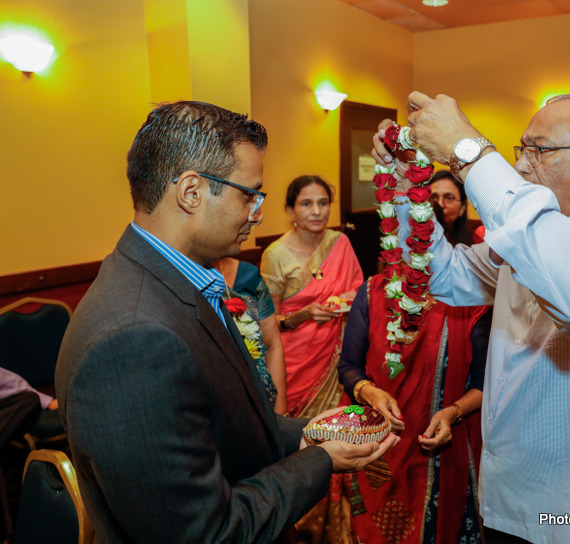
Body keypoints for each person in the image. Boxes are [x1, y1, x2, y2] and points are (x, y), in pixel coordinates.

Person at [55, 100, 397, 543]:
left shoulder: (174, 283)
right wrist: (323, 459)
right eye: (248, 194)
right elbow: (207, 533)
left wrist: (318, 430)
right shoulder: (133, 340)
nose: (256, 212)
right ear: (192, 192)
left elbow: (226, 426)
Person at [373, 92, 570, 543]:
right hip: (508, 493)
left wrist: (469, 151)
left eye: (539, 150)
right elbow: (443, 273)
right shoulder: (528, 238)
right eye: (521, 150)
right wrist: (403, 189)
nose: (521, 166)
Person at [336, 271, 491, 543]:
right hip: (380, 450)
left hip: (444, 452)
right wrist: (371, 393)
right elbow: (349, 366)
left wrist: (451, 412)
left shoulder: (469, 299)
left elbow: (484, 382)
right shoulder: (374, 291)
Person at [260, 175, 363, 418]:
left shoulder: (340, 242)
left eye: (323, 203)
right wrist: (302, 315)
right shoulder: (275, 255)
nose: (316, 211)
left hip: (337, 356)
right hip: (294, 360)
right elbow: (267, 322)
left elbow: (359, 292)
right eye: (306, 204)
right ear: (290, 210)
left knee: (338, 431)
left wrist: (349, 300)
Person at [213, 257, 287, 414]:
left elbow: (273, 345)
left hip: (263, 399)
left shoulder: (249, 275)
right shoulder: (182, 277)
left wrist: (281, 415)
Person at [429, 169, 483, 245]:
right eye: (433, 197)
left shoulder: (476, 242)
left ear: (462, 208)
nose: (440, 204)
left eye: (449, 198)